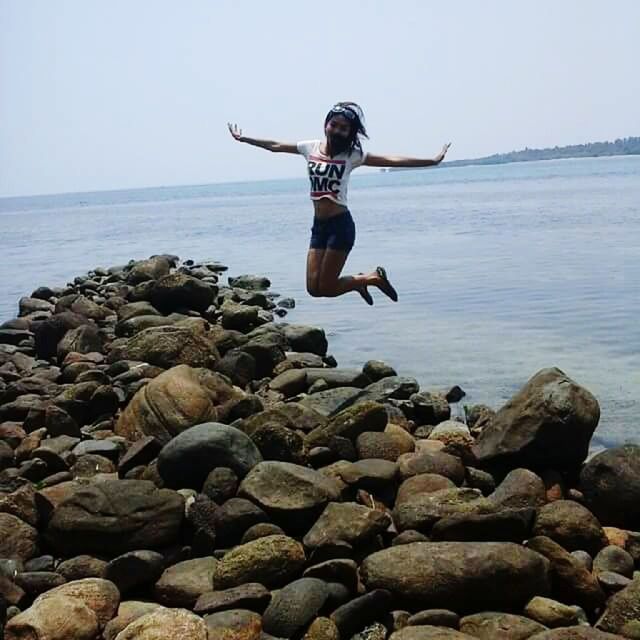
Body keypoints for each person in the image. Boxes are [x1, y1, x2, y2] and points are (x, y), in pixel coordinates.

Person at [228, 102, 450, 304]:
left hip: (340, 226)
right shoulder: (310, 148)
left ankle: (371, 278)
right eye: (334, 124)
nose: (337, 130)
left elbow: (392, 160)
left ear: (350, 133)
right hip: (319, 227)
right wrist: (245, 138)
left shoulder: (353, 156)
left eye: (343, 128)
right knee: (313, 289)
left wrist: (432, 161)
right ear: (326, 125)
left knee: (326, 287)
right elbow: (275, 145)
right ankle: (361, 282)